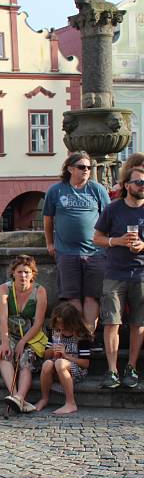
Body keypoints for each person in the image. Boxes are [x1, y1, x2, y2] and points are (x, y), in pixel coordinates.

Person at [43, 151, 110, 337]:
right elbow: (48, 220)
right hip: (66, 252)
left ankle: (88, 335)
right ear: (70, 168)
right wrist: (49, 243)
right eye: (82, 167)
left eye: (89, 167)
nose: (86, 170)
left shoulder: (97, 190)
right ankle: (78, 336)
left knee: (92, 296)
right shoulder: (56, 191)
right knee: (72, 297)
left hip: (96, 252)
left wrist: (108, 244)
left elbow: (108, 218)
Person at [93, 155, 144, 389]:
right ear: (126, 185)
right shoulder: (113, 210)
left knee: (138, 323)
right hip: (115, 273)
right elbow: (97, 239)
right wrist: (117, 241)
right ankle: (112, 370)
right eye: (139, 183)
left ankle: (131, 368)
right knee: (111, 322)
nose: (142, 187)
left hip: (141, 273)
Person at [0, 255, 47, 414]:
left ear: (32, 274)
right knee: (4, 354)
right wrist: (5, 341)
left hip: (32, 334)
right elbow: (2, 317)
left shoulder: (40, 291)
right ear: (13, 273)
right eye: (19, 272)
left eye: (26, 272)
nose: (23, 276)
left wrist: (23, 342)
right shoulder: (4, 289)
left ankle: (19, 396)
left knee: (26, 360)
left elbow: (39, 322)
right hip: (9, 331)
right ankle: (15, 397)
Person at [35, 302, 92, 415]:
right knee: (47, 364)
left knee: (60, 363)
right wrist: (52, 351)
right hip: (57, 366)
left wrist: (66, 356)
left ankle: (70, 403)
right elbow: (45, 356)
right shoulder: (55, 332)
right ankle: (44, 398)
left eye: (64, 325)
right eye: (58, 324)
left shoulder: (81, 336)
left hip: (75, 370)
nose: (60, 328)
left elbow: (85, 364)